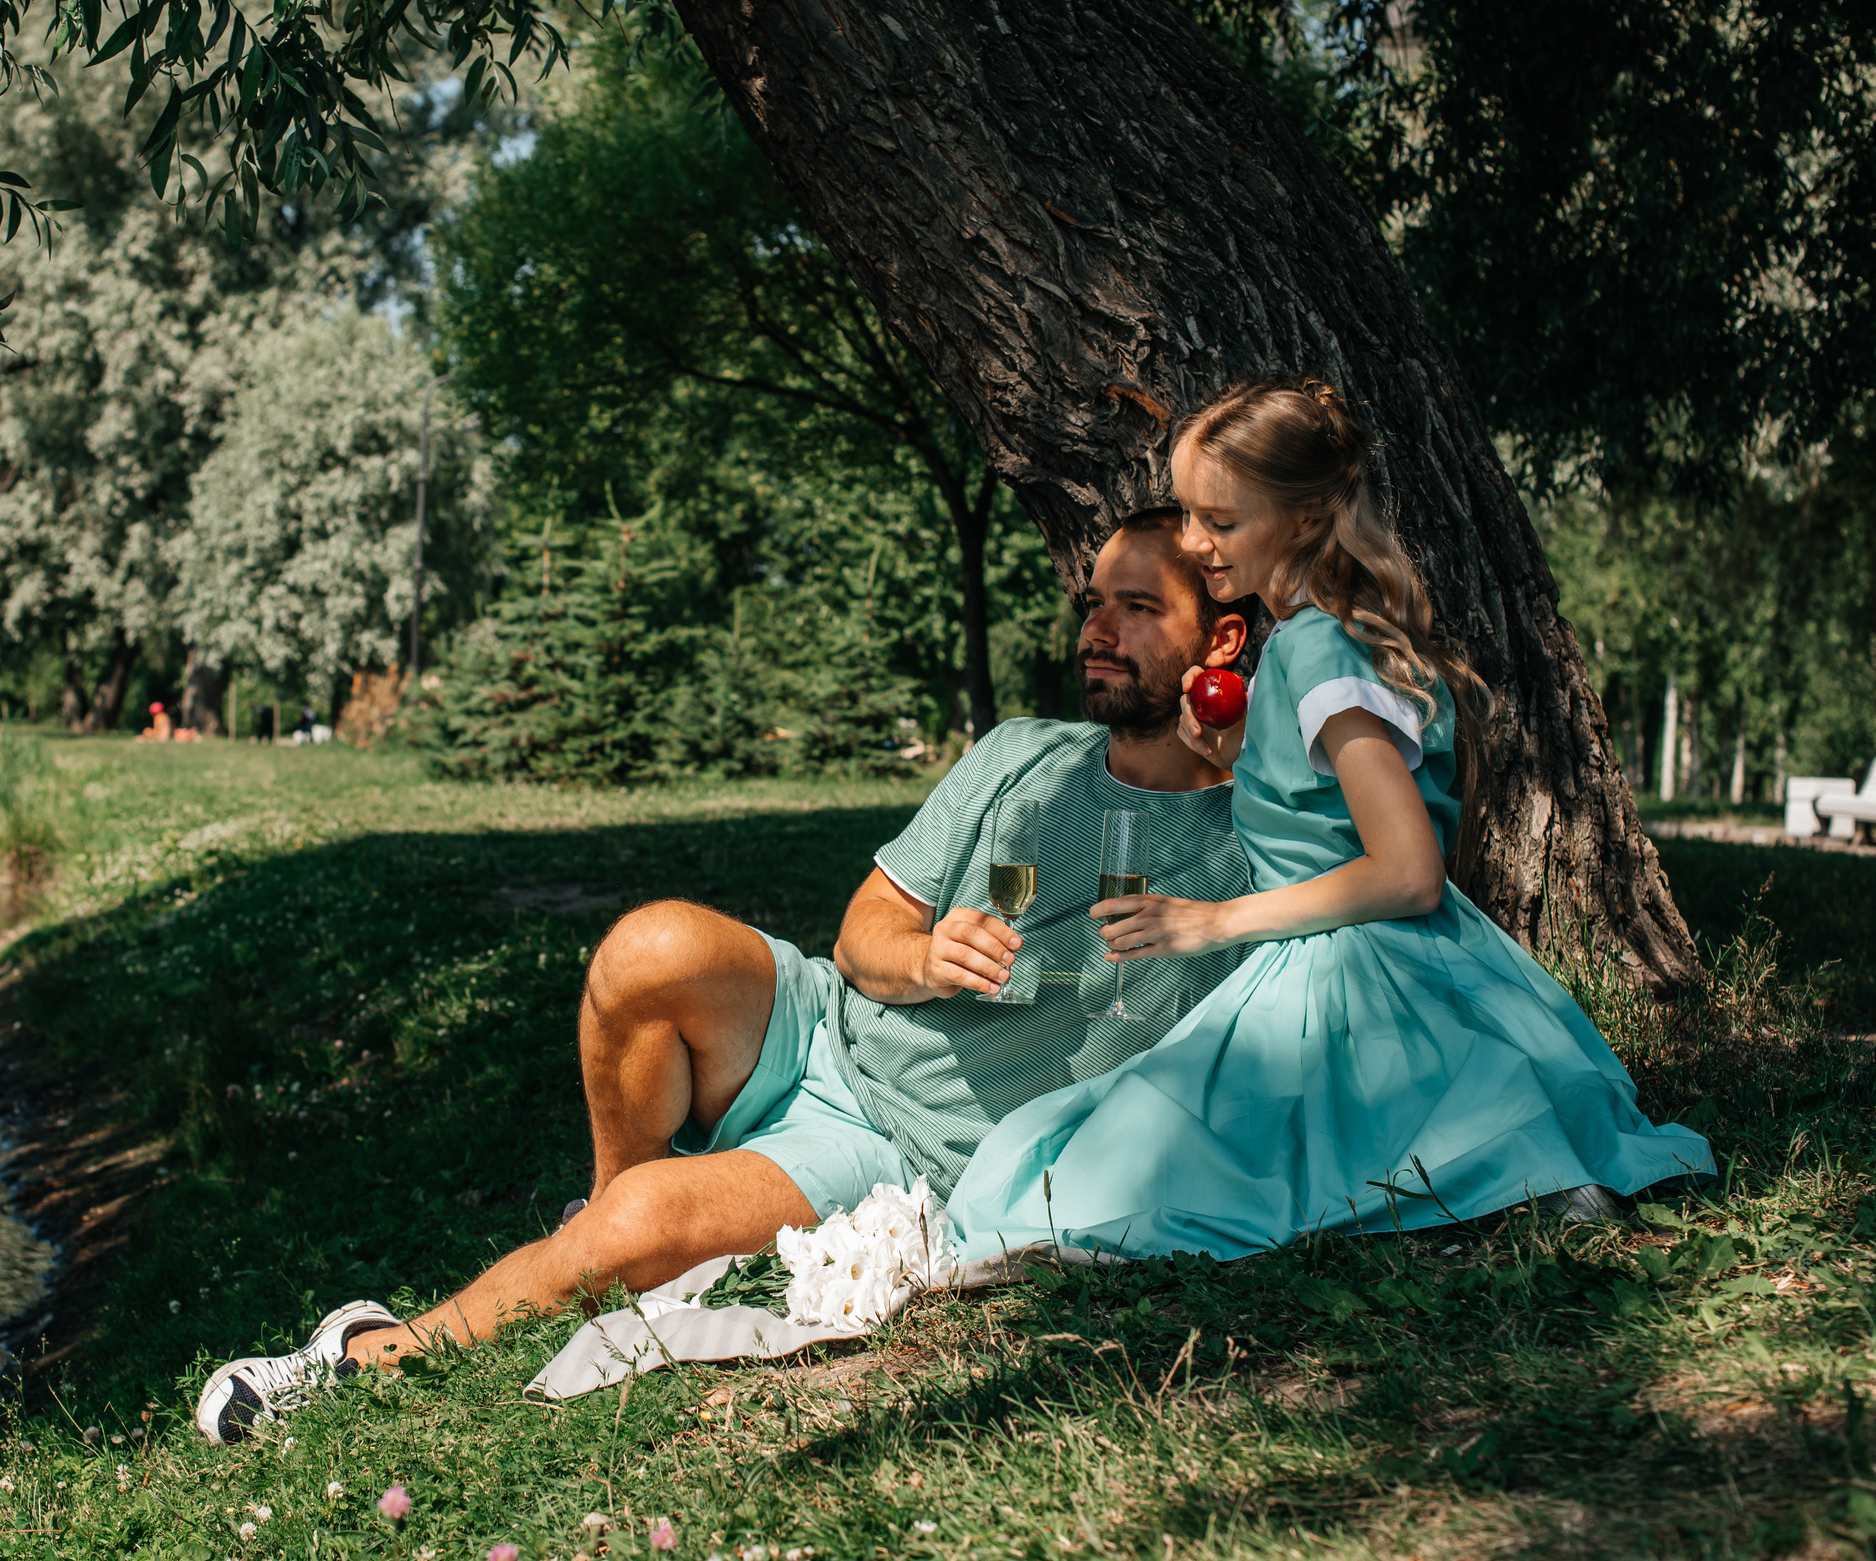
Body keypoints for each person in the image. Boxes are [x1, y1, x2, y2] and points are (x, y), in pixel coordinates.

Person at [191, 508, 1261, 1443]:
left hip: (896, 1149)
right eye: (1092, 603)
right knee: (647, 946)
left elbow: (1386, 878)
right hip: (822, 1024)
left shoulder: (1258, 844)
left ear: (1220, 636)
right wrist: (923, 955)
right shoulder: (1020, 753)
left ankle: (361, 1350)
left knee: (636, 1227)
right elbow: (865, 929)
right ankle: (602, 1217)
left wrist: (1254, 745)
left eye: (1133, 608)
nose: (1095, 631)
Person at [943, 378, 1714, 1260]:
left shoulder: (1317, 646)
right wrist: (1241, 754)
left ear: (1305, 520)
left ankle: (1505, 1187)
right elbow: (1330, 808)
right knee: (1092, 1161)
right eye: (1191, 515)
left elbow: (1408, 870)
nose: (1194, 541)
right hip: (1379, 965)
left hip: (1353, 973)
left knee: (1068, 1180)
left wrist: (1213, 920)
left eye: (1220, 523)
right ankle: (1501, 1181)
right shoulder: (1317, 637)